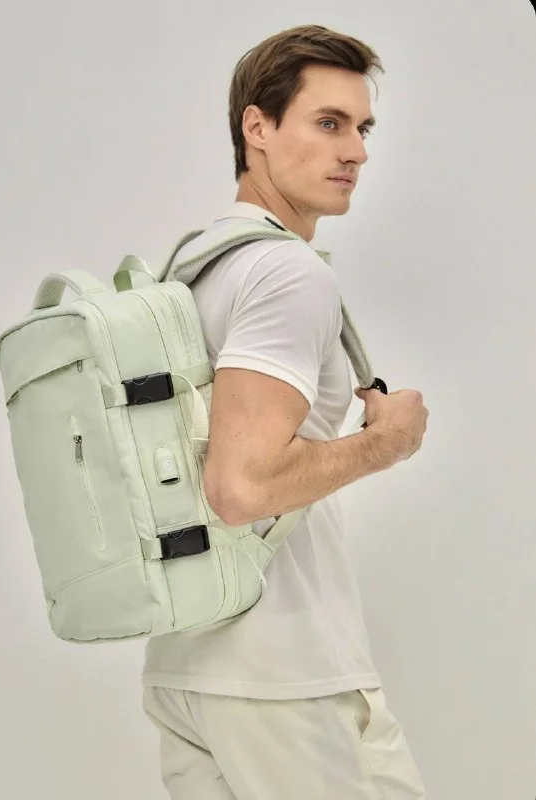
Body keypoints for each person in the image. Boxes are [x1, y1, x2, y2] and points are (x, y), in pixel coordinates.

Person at [142, 24, 430, 799]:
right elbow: (240, 486)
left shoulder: (192, 268)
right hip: (283, 677)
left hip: (186, 663)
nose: (355, 152)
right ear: (257, 127)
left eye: (362, 128)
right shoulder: (284, 272)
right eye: (328, 123)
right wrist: (387, 443)